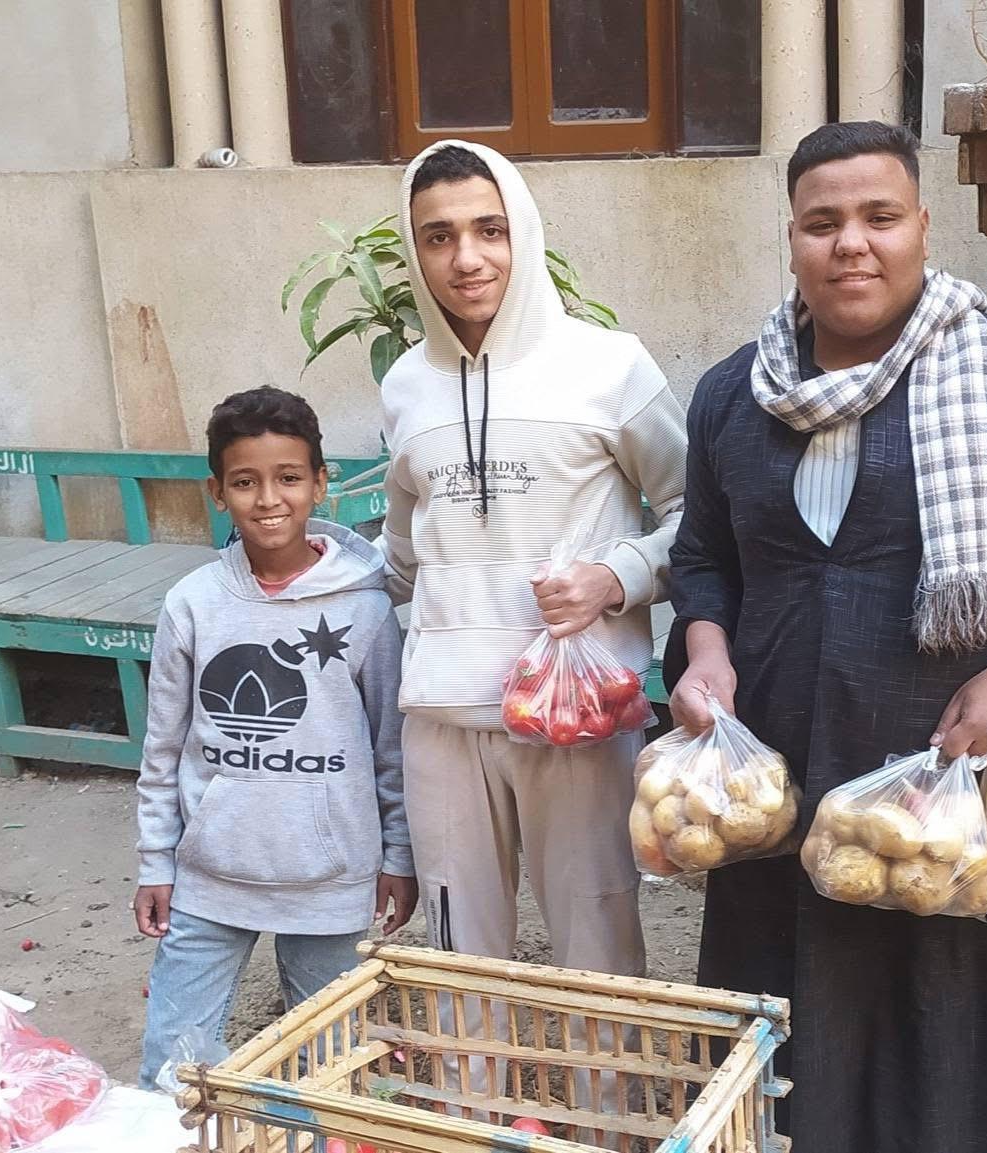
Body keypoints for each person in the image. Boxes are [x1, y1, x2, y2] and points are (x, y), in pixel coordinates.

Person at [667, 122, 987, 1152]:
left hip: (971, 811)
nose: (850, 243)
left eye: (878, 217)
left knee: (979, 1053)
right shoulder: (735, 395)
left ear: (922, 227)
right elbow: (703, 557)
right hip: (796, 804)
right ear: (791, 240)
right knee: (802, 1044)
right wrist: (706, 649)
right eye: (823, 222)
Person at [377, 141, 687, 983]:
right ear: (414, 251)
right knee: (459, 952)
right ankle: (475, 1107)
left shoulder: (609, 366)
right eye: (437, 237)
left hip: (575, 715)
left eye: (489, 229)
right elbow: (402, 556)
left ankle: (608, 1107)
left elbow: (697, 516)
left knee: (596, 936)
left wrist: (614, 575)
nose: (467, 258)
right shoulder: (406, 386)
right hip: (442, 715)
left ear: (525, 232)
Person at [133, 387, 414, 1089]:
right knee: (172, 1066)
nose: (268, 499)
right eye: (245, 481)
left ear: (321, 482)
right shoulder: (194, 602)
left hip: (330, 878)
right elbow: (162, 748)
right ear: (216, 491)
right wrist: (155, 862)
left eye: (289, 477)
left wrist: (399, 853)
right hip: (210, 877)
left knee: (332, 1069)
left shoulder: (366, 604)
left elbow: (392, 747)